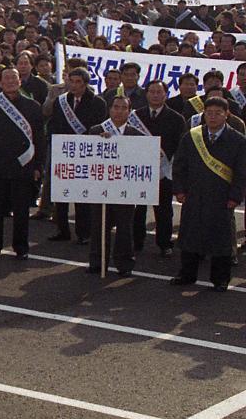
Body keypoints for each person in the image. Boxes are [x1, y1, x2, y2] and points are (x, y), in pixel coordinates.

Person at [170, 97, 246, 291]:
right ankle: (187, 275)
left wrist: (235, 197)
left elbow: (242, 172)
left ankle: (220, 279)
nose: (212, 117)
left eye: (218, 113)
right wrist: (179, 190)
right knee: (190, 237)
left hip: (222, 197)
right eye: (209, 113)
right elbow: (179, 166)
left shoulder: (238, 140)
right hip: (194, 195)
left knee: (221, 241)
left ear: (226, 114)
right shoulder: (192, 136)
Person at [0, 67, 44, 259]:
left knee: (21, 211)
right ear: (0, 82)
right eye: (6, 78)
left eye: (14, 78)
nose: (11, 81)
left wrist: (38, 166)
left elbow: (39, 139)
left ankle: (21, 247)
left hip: (23, 166)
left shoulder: (33, 106)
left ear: (20, 81)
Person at [46, 68, 107, 244]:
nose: (73, 85)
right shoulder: (61, 101)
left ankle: (83, 233)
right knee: (61, 195)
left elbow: (97, 127)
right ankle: (62, 230)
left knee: (82, 196)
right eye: (71, 81)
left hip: (85, 154)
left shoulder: (97, 103)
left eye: (78, 82)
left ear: (85, 83)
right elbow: (54, 123)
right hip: (64, 153)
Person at [85, 96, 143, 277]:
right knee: (98, 226)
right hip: (100, 187)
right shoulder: (96, 130)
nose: (119, 111)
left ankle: (125, 263)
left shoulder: (136, 134)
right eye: (115, 107)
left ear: (129, 111)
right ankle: (97, 261)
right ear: (109, 110)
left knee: (125, 228)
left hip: (124, 189)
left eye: (123, 108)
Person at [131, 79, 186, 257]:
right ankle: (136, 241)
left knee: (163, 210)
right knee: (137, 209)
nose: (155, 95)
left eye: (159, 92)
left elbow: (180, 146)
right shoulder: (135, 116)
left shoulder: (176, 118)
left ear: (166, 94)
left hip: (164, 171)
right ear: (146, 94)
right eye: (152, 91)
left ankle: (164, 243)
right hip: (139, 170)